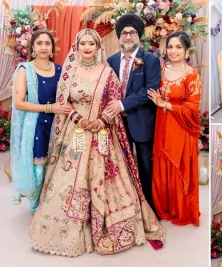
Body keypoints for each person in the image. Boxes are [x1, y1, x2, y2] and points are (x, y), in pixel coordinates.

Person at [29, 29, 165, 257]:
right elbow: (63, 102)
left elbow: (115, 102)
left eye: (92, 43)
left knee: (109, 180)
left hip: (102, 133)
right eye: (83, 43)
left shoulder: (107, 72)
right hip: (76, 132)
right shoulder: (69, 71)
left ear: (98, 46)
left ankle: (109, 222)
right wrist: (78, 118)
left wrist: (102, 120)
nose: (87, 47)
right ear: (77, 46)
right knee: (69, 178)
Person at [104, 13, 162, 213]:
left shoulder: (150, 60)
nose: (128, 36)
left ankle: (148, 207)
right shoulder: (111, 61)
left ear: (139, 36)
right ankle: (127, 205)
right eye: (124, 33)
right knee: (121, 165)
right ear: (119, 37)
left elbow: (150, 90)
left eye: (132, 32)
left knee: (146, 166)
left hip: (142, 121)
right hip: (117, 123)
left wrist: (121, 104)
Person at [148, 31, 201, 226]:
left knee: (178, 166)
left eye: (178, 47)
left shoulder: (192, 75)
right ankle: (164, 207)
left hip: (181, 128)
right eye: (170, 46)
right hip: (162, 125)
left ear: (187, 50)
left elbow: (193, 107)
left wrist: (165, 104)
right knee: (162, 166)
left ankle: (181, 209)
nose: (173, 51)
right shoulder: (160, 71)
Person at [10, 29, 66, 212]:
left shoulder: (60, 70)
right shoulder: (25, 70)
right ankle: (37, 207)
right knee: (38, 166)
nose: (44, 47)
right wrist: (49, 108)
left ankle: (52, 205)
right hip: (35, 126)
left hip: (57, 125)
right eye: (39, 43)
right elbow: (19, 103)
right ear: (33, 47)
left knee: (55, 165)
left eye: (47, 43)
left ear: (52, 48)